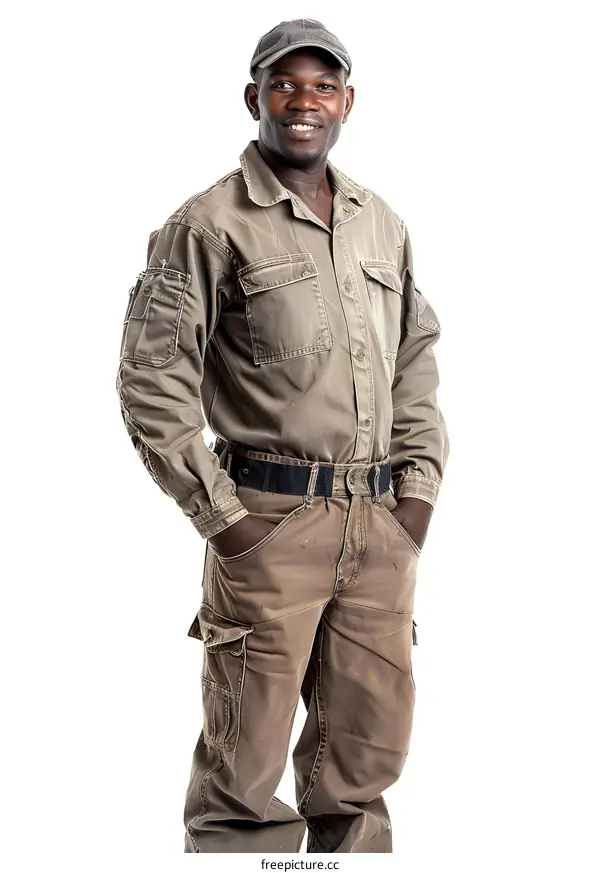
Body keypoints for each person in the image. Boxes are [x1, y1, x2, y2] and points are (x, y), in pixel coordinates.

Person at [116, 18, 449, 854]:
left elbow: (416, 359)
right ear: (253, 97)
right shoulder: (207, 225)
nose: (305, 101)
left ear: (347, 102)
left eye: (323, 86)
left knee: (365, 764)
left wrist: (416, 496)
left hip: (380, 531)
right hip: (270, 523)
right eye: (285, 84)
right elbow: (151, 381)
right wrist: (225, 520)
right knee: (243, 773)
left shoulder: (382, 222)